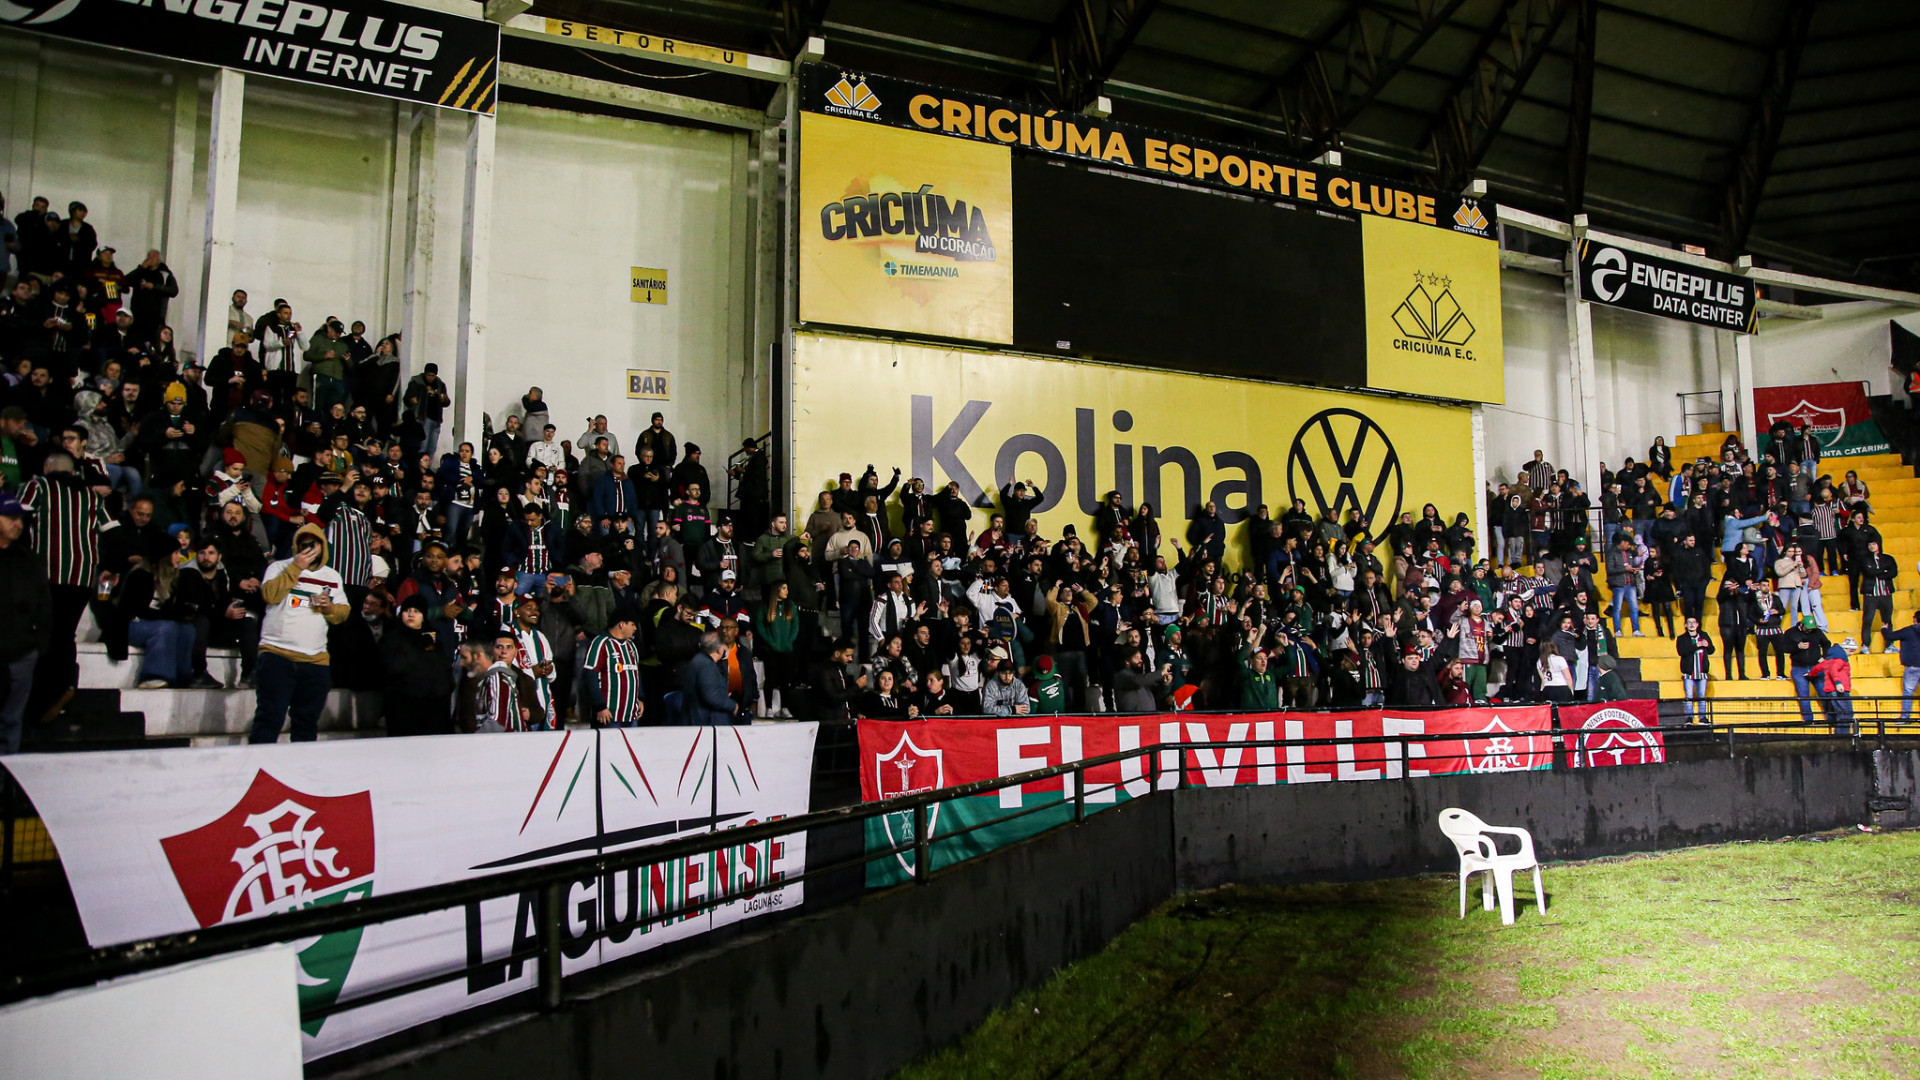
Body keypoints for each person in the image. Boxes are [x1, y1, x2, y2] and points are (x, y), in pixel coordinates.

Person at [249, 523, 350, 742]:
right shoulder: (278, 567)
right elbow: (270, 595)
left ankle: (301, 772)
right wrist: (296, 567)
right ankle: (256, 770)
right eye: (304, 545)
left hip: (315, 661)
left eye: (314, 545)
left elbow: (343, 613)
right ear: (296, 546)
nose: (309, 549)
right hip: (277, 655)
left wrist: (329, 607)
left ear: (322, 547)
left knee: (306, 723)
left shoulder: (332, 576)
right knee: (270, 718)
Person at [0, 491, 50, 753]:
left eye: (20, 519)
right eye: (10, 517)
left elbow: (44, 605)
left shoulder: (29, 560)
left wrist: (37, 644)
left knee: (11, 721)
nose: (18, 524)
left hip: (20, 654)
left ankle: (5, 786)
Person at [382, 595, 453, 736]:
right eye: (407, 610)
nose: (411, 614)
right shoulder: (391, 639)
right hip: (404, 707)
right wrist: (418, 646)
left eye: (416, 611)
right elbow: (394, 667)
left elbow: (443, 671)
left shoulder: (432, 639)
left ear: (423, 615)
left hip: (433, 708)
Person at [580, 612, 646, 726]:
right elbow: (590, 675)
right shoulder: (600, 643)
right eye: (633, 624)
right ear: (621, 624)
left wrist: (640, 697)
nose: (635, 628)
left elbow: (635, 673)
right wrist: (599, 706)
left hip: (631, 714)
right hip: (609, 715)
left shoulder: (631, 646)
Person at [1782, 615, 1831, 727]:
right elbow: (1784, 648)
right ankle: (1809, 721)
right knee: (1804, 696)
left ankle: (1830, 718)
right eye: (1807, 628)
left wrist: (1825, 656)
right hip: (1799, 668)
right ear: (1801, 625)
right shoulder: (1790, 633)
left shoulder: (1817, 632)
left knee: (1824, 693)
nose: (1809, 631)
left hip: (1816, 667)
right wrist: (1797, 646)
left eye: (1811, 629)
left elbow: (1826, 643)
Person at [682, 631, 737, 725]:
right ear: (719, 649)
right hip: (707, 722)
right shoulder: (706, 664)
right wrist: (732, 706)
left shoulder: (699, 660)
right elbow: (711, 696)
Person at [1675, 616, 1713, 722]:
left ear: (1697, 625)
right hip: (1688, 673)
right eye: (1689, 622)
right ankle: (1689, 718)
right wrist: (1696, 645)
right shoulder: (1681, 638)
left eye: (1694, 622)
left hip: (1702, 672)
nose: (1691, 624)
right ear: (1685, 625)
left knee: (1702, 696)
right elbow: (1682, 652)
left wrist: (1707, 645)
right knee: (1689, 696)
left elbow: (1711, 650)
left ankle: (1703, 717)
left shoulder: (1704, 635)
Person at [1889, 613, 1920, 721]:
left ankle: (1905, 717)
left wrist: (1884, 629)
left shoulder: (1909, 630)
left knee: (1908, 691)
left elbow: (1891, 636)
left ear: (1915, 619)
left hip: (1912, 666)